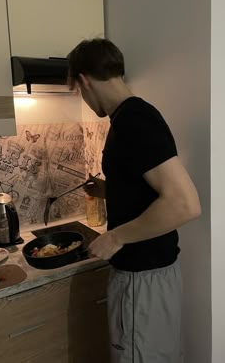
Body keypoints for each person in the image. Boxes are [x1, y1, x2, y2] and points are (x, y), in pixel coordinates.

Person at [68, 38, 201, 363]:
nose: (84, 99)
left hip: (142, 281)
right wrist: (107, 189)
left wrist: (116, 236)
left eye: (78, 91)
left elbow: (185, 204)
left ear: (84, 80)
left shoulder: (134, 121)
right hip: (153, 276)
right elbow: (150, 187)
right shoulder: (130, 117)